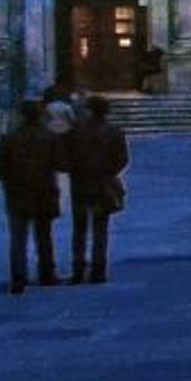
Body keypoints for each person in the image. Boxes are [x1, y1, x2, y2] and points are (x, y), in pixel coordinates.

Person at [0, 100, 63, 293]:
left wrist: (10, 179)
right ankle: (47, 274)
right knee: (44, 236)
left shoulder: (9, 139)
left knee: (18, 239)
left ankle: (18, 278)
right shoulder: (50, 137)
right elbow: (60, 163)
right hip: (44, 191)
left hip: (17, 192)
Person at [66, 94, 128, 283]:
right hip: (103, 183)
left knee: (79, 229)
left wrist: (75, 170)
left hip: (80, 182)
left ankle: (78, 270)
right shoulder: (115, 131)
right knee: (100, 229)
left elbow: (66, 155)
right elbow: (122, 159)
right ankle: (98, 271)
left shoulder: (75, 130)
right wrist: (109, 172)